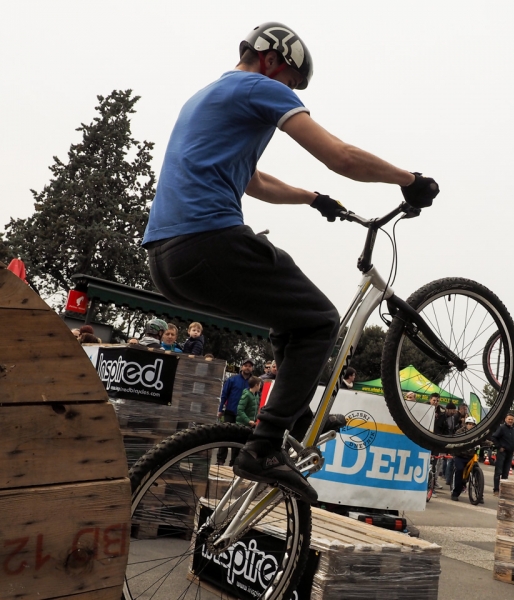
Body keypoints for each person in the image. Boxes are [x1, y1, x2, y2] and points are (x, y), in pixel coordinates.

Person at [141, 22, 438, 502]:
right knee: (320, 320)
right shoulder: (257, 87)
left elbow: (253, 181)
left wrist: (312, 198)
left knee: (290, 319)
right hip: (208, 239)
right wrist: (410, 180)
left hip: (168, 259)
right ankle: (264, 446)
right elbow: (340, 156)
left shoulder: (208, 96)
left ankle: (295, 416)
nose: (290, 93)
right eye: (292, 83)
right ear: (272, 60)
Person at [217, 358, 255, 465]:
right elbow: (224, 395)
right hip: (230, 412)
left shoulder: (253, 382)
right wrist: (220, 409)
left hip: (244, 416)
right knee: (225, 436)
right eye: (245, 365)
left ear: (252, 368)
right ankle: (220, 460)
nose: (247, 368)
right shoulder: (232, 380)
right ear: (242, 367)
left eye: (250, 366)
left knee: (239, 439)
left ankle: (234, 462)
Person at [451, 417, 478, 501]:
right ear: (466, 424)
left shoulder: (477, 432)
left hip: (470, 457)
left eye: (473, 425)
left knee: (477, 470)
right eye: (469, 424)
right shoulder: (460, 432)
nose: (471, 426)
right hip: (460, 456)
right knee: (459, 470)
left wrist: (492, 444)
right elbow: (455, 440)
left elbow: (482, 440)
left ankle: (479, 494)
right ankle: (455, 493)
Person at [491, 414, 514, 496]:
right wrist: (499, 446)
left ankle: (503, 491)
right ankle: (496, 490)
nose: (510, 421)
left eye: (512, 419)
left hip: (510, 453)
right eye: (509, 419)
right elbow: (494, 437)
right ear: (505, 419)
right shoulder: (502, 428)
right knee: (498, 472)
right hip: (502, 452)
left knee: (505, 473)